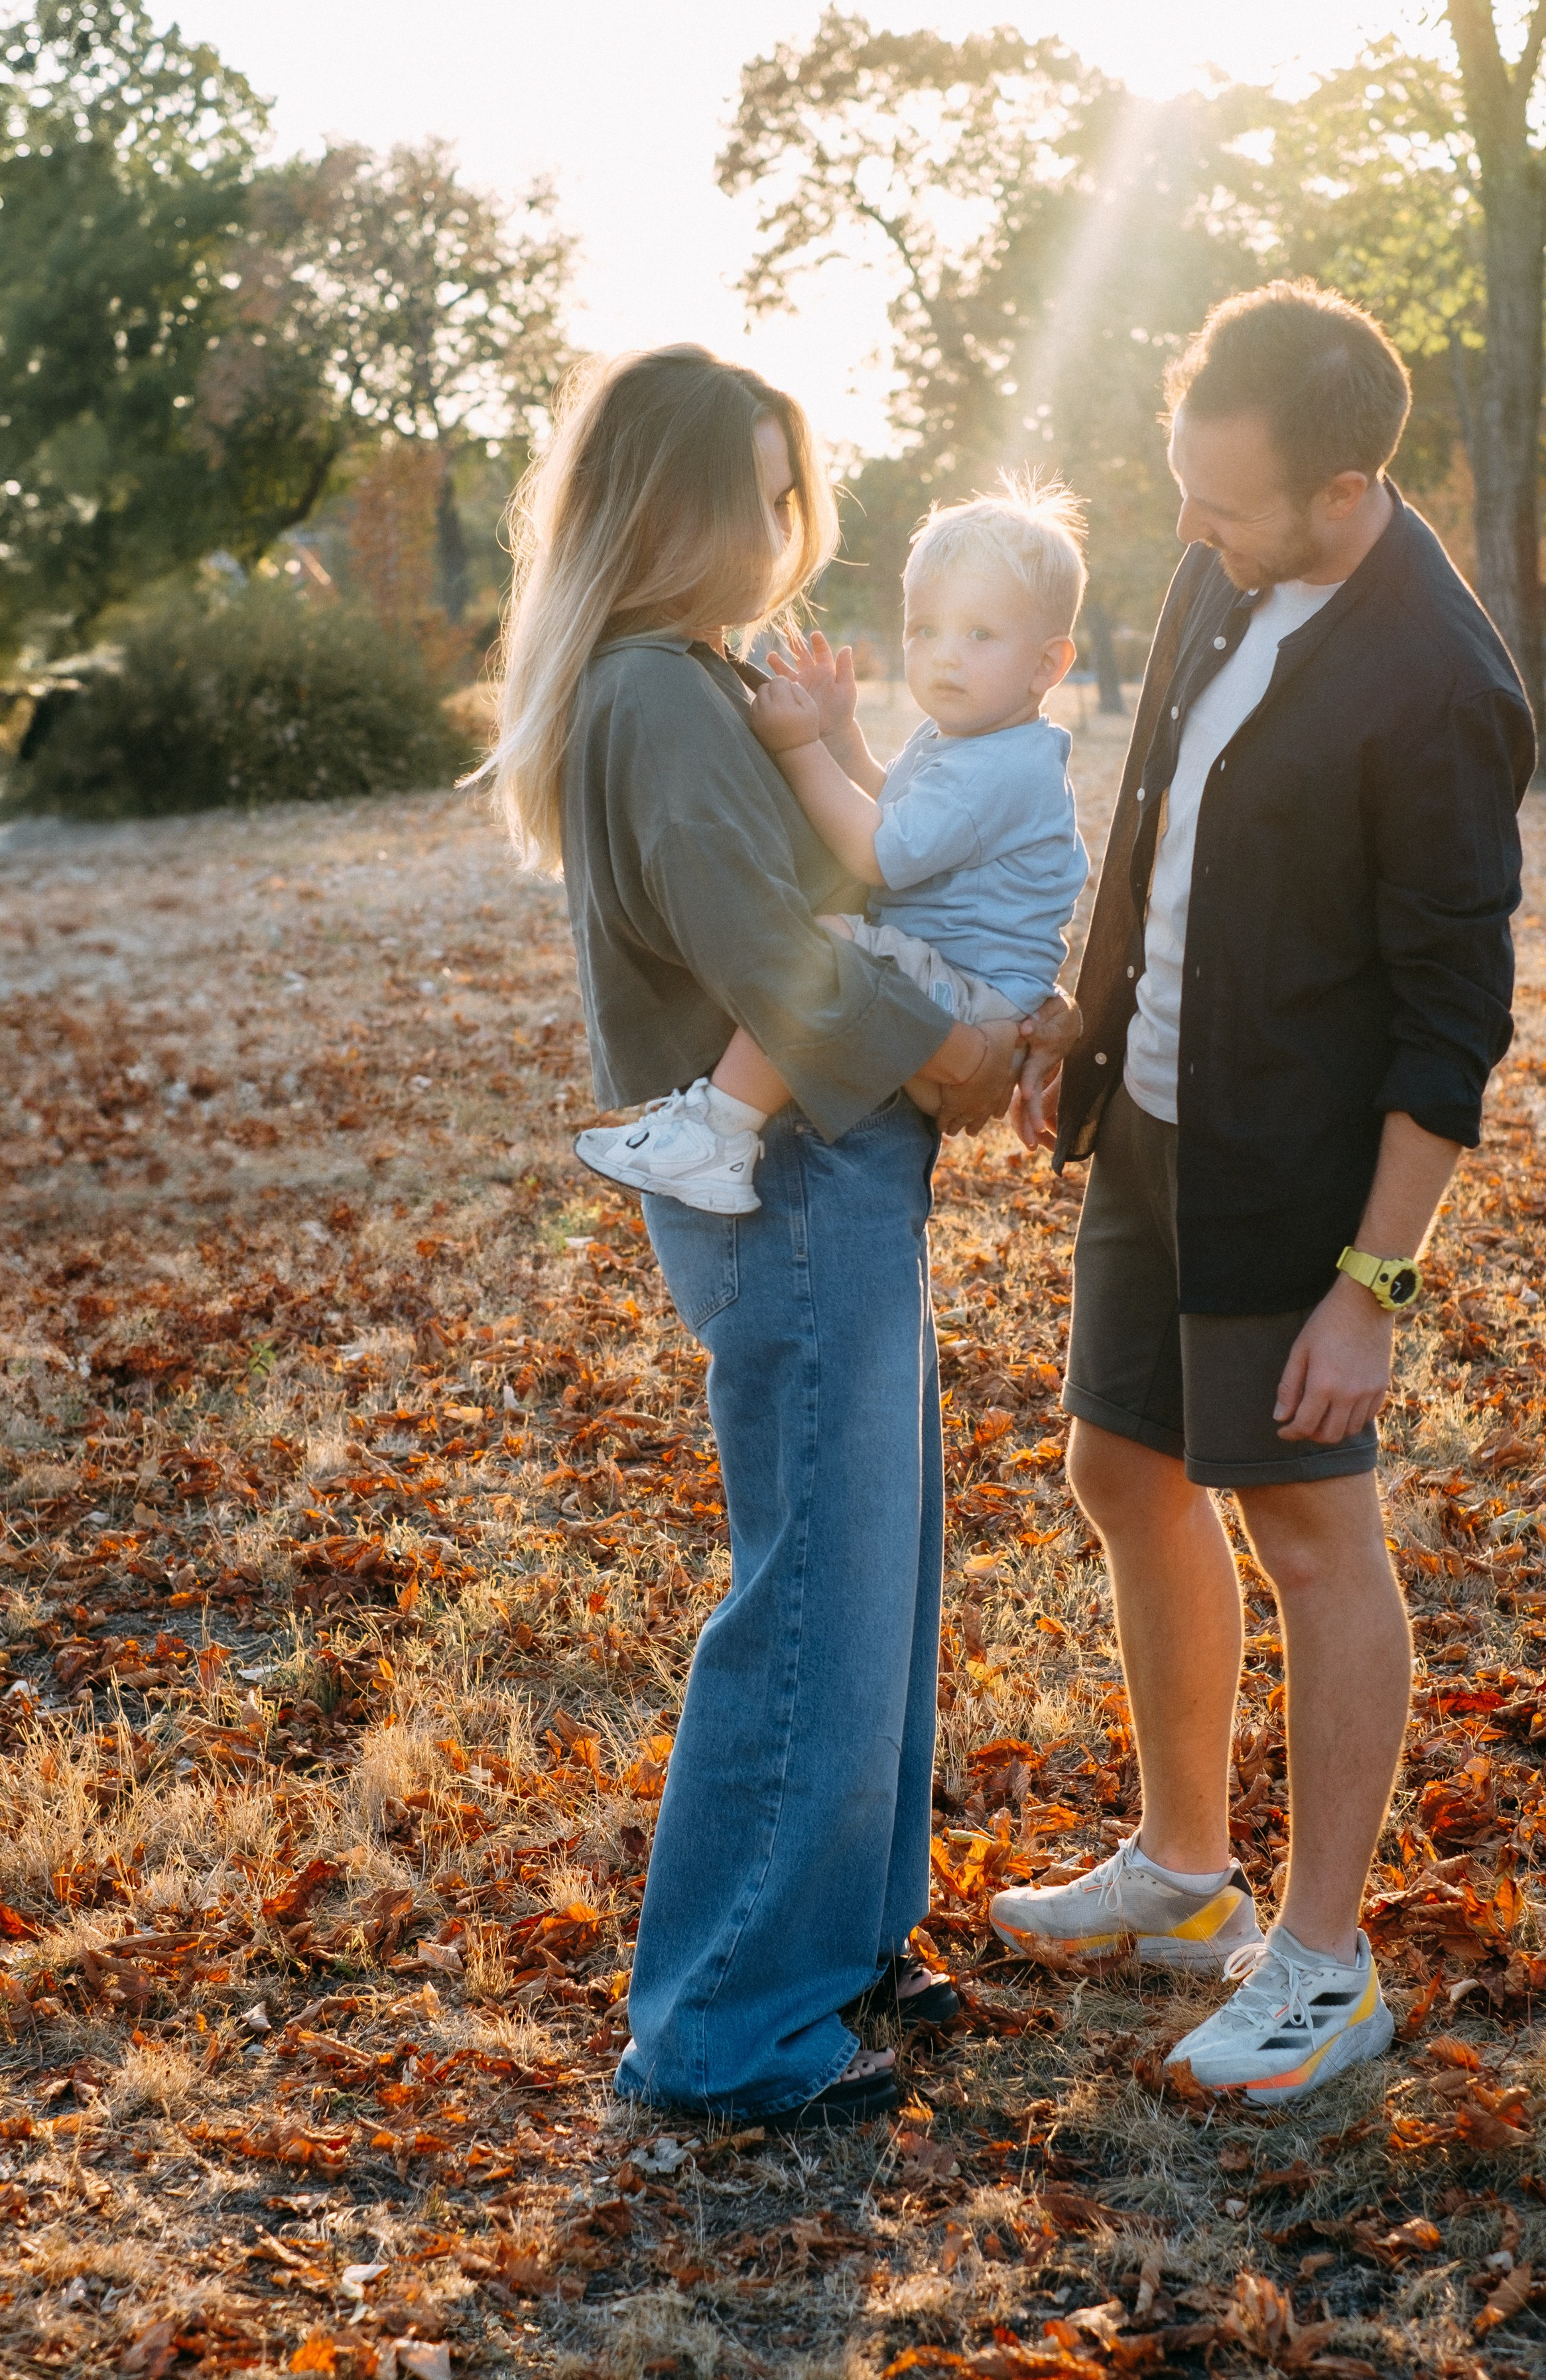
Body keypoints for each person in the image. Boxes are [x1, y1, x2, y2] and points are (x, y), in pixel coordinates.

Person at [477, 344, 1072, 2128]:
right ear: (668, 504)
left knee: (874, 1570)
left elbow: (859, 872)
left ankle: (838, 1949)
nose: (785, 523)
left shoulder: (704, 678)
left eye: (789, 482)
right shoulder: (653, 696)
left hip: (837, 1169)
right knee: (815, 1581)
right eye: (754, 484)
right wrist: (960, 1049)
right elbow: (776, 953)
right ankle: (727, 2024)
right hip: (788, 1180)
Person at [991, 282, 1536, 2105]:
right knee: (1120, 1467)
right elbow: (1159, 814)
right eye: (1184, 496)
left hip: (1300, 1182)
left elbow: (1454, 1028)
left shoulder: (1439, 686)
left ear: (1346, 485)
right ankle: (1181, 1871)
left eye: (1225, 508)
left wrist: (1369, 1290)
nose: (1194, 538)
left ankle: (1322, 1961)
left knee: (1313, 1538)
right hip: (1152, 1126)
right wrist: (1086, 1007)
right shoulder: (1222, 569)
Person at [575, 481, 1090, 1213]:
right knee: (836, 954)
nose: (944, 657)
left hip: (972, 999)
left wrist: (801, 747)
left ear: (1046, 666)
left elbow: (880, 853)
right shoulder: (979, 744)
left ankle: (720, 1133)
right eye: (924, 631)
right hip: (965, 985)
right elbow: (895, 812)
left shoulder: (1001, 768)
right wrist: (845, 737)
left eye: (979, 635)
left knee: (823, 949)